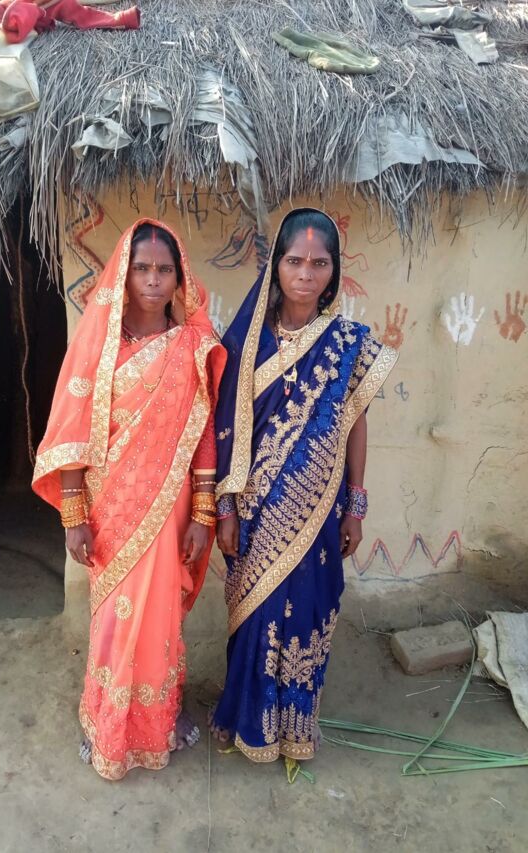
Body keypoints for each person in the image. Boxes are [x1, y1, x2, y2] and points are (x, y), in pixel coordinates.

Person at [32, 219, 225, 781]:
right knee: (115, 618)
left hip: (170, 507)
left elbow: (204, 433)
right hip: (110, 509)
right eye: (142, 268)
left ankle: (155, 720)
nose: (153, 280)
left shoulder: (193, 346)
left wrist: (204, 513)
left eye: (164, 270)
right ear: (124, 273)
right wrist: (74, 515)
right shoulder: (96, 348)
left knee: (160, 615)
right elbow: (71, 435)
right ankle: (108, 722)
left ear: (180, 278)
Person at [210, 208, 398, 771]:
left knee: (307, 613)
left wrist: (356, 505)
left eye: (320, 263)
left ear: (334, 271)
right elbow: (223, 428)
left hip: (319, 512)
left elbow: (355, 424)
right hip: (255, 509)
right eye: (295, 261)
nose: (306, 274)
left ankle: (295, 729)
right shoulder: (244, 343)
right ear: (276, 265)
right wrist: (225, 508)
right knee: (256, 617)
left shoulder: (348, 343)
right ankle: (248, 723)